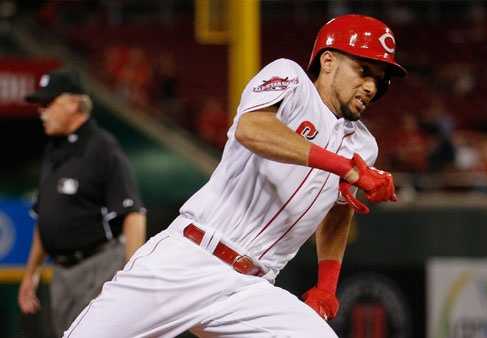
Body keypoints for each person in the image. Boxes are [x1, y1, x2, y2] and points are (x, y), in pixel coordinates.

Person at [64, 14, 404, 338]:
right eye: (363, 70)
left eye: (380, 79)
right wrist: (345, 167)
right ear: (328, 61)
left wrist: (327, 286)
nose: (371, 86)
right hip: (189, 259)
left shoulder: (363, 145)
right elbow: (251, 129)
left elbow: (337, 208)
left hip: (252, 289)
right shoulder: (291, 79)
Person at [18, 69, 147, 336]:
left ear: (73, 103)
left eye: (47, 103)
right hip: (62, 273)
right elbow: (46, 219)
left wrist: (133, 277)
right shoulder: (55, 150)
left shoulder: (102, 148)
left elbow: (133, 213)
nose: (41, 111)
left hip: (97, 267)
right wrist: (31, 274)